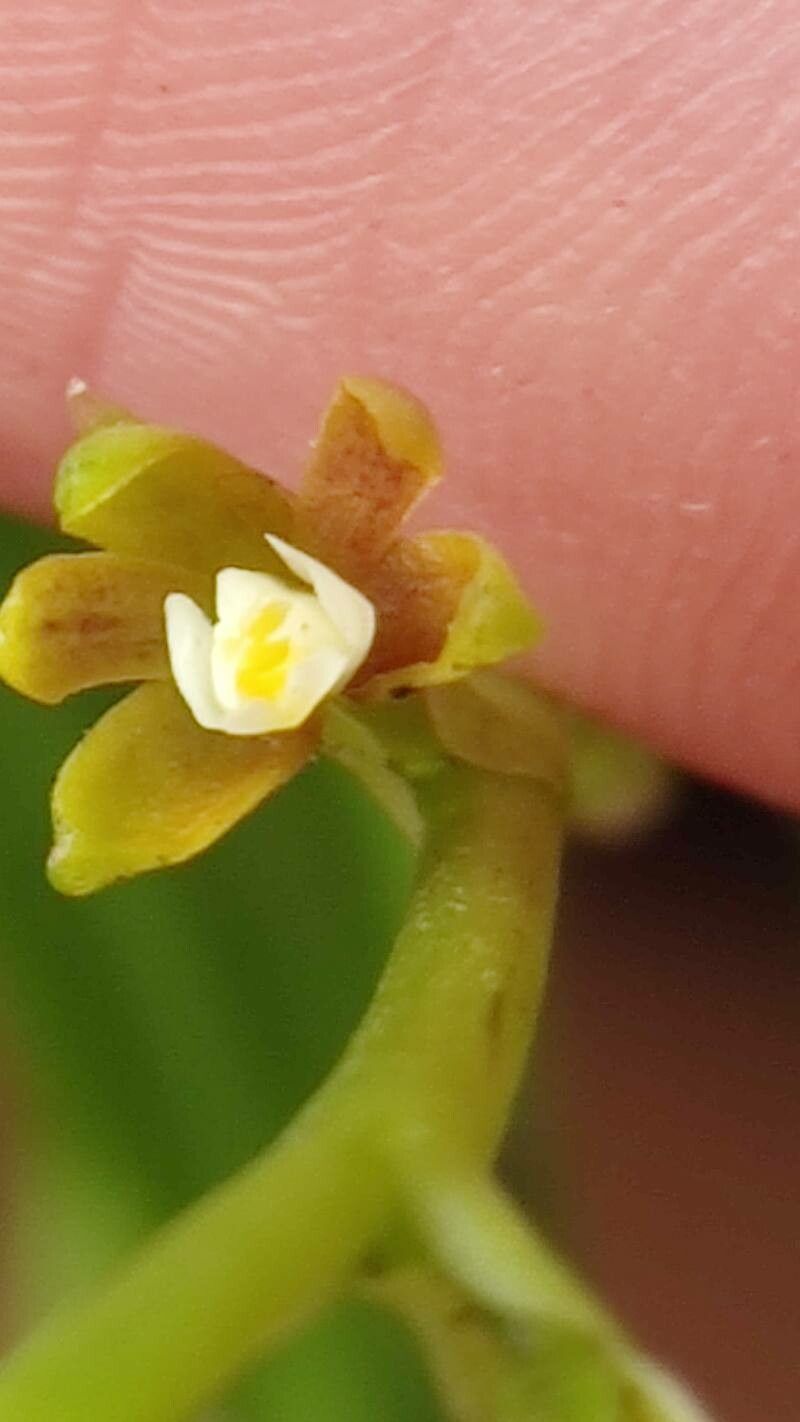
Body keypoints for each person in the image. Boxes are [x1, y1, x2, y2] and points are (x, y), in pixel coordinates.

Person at [1, 5, 798, 1419]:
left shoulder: (432, 591)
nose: (247, 651)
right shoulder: (185, 687)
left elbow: (459, 586)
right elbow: (91, 802)